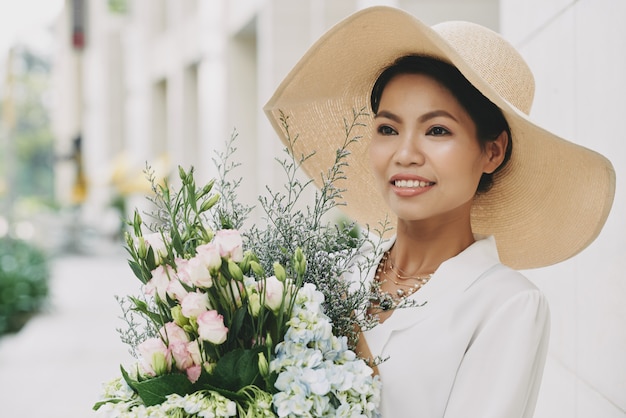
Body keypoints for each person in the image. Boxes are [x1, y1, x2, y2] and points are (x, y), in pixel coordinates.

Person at [263, 6, 615, 418]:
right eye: (388, 129)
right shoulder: (339, 273)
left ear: (492, 151)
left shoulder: (508, 306)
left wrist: (353, 353)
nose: (405, 154)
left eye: (437, 130)